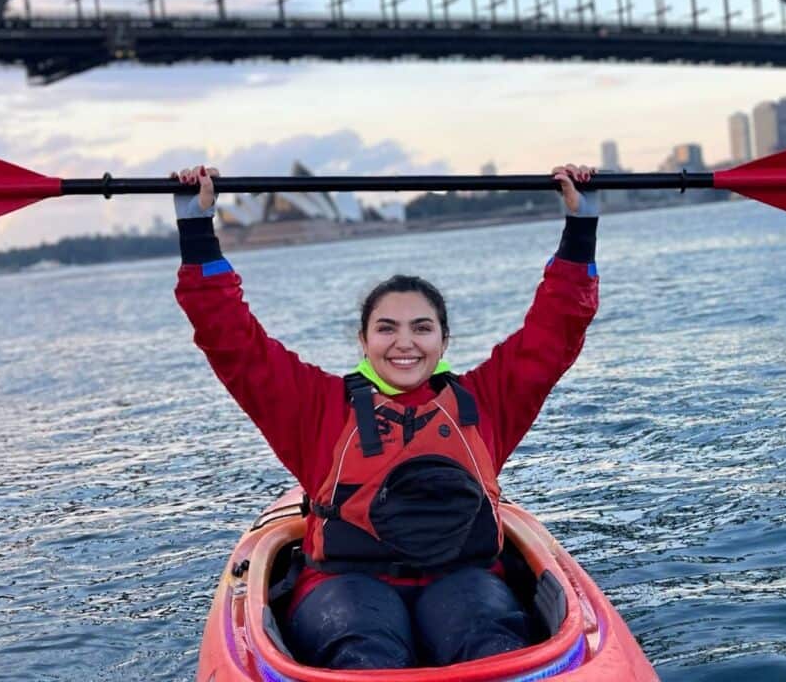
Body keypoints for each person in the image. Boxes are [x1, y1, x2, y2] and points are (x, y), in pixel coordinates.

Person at [171, 162, 600, 670]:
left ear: (443, 341)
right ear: (364, 341)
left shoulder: (486, 403)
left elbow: (556, 330)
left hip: (463, 580)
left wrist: (581, 226)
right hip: (346, 585)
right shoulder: (317, 407)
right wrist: (197, 229)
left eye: (421, 328)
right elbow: (233, 342)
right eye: (386, 328)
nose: (404, 343)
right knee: (365, 649)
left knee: (490, 643)